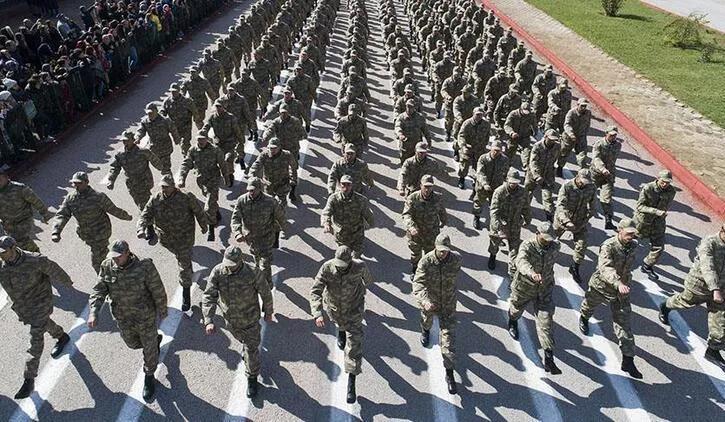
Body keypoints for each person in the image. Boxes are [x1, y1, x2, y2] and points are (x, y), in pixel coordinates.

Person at [88, 240, 167, 401]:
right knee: (132, 344)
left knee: (149, 348)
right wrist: (94, 312)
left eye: (118, 257)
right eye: (113, 257)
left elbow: (157, 288)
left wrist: (162, 309)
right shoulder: (107, 266)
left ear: (127, 253)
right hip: (123, 317)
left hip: (144, 316)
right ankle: (154, 341)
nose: (115, 260)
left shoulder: (144, 267)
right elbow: (99, 289)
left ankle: (149, 376)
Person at [0, 236, 73, 399]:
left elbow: (55, 269)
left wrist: (67, 281)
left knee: (35, 338)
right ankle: (61, 336)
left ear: (13, 248)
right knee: (42, 324)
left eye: (4, 252)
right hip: (24, 306)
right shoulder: (3, 267)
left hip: (41, 301)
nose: (2, 256)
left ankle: (29, 380)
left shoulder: (34, 260)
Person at [203, 245, 274, 398]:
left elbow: (266, 292)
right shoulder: (218, 271)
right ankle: (245, 347)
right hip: (231, 322)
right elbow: (209, 295)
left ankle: (252, 377)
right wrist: (208, 319)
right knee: (242, 341)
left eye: (232, 265)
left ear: (240, 262)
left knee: (251, 349)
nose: (229, 267)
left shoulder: (253, 272)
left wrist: (268, 311)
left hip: (250, 320)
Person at [579, 218, 642, 379]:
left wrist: (624, 283)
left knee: (624, 324)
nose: (631, 236)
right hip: (602, 286)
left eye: (633, 234)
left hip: (621, 291)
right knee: (589, 306)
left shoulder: (633, 246)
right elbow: (605, 267)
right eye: (628, 233)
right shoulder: (608, 246)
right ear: (619, 231)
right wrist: (617, 282)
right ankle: (584, 318)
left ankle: (628, 360)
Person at [310, 245, 375, 404]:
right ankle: (341, 330)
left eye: (343, 266)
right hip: (335, 310)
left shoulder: (360, 266)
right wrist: (317, 312)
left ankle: (352, 381)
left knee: (353, 346)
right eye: (338, 265)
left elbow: (368, 280)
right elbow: (315, 290)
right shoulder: (327, 267)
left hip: (354, 311)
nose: (339, 268)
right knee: (340, 326)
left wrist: (359, 294)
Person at [138, 175, 208, 313]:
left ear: (173, 186)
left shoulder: (186, 197)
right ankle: (188, 267)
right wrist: (141, 228)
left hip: (184, 238)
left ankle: (186, 297)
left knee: (183, 265)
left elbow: (198, 211)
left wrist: (204, 225)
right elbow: (145, 214)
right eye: (162, 186)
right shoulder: (156, 199)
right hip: (167, 240)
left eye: (166, 186)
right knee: (182, 259)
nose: (163, 189)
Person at [660, 223, 725, 366]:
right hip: (699, 286)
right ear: (722, 230)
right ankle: (665, 305)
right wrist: (714, 289)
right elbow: (708, 267)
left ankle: (713, 350)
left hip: (721, 289)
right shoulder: (708, 243)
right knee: (684, 302)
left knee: (721, 318)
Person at [507, 223, 562, 374]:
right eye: (545, 239)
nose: (547, 242)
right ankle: (512, 321)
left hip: (544, 289)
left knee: (546, 321)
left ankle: (549, 357)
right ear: (537, 234)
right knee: (516, 310)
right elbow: (521, 261)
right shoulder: (527, 245)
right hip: (525, 286)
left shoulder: (555, 246)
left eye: (550, 239)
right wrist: (531, 273)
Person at [52, 171, 133, 273]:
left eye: (79, 183)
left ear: (86, 182)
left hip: (101, 232)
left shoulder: (98, 197)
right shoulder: (71, 198)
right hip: (86, 234)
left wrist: (126, 216)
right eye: (74, 183)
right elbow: (62, 214)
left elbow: (113, 209)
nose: (76, 186)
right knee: (102, 253)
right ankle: (121, 263)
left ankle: (107, 278)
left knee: (97, 261)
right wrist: (56, 231)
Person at [412, 233, 462, 394]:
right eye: (440, 250)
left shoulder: (456, 260)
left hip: (448, 304)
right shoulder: (426, 261)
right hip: (430, 302)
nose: (443, 253)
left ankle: (449, 374)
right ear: (435, 247)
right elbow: (418, 284)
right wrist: (424, 301)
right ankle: (425, 330)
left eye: (446, 250)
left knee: (448, 343)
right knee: (427, 321)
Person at [231, 178, 287, 288]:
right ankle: (259, 279)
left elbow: (280, 215)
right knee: (256, 262)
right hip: (251, 239)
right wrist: (237, 232)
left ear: (260, 189)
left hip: (266, 237)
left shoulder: (270, 201)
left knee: (265, 264)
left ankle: (267, 286)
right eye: (249, 190)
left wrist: (283, 227)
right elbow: (235, 218)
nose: (251, 192)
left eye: (253, 190)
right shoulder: (242, 201)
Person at [177, 134, 228, 241]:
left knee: (208, 206)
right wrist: (182, 178)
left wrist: (226, 177)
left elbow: (222, 164)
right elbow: (186, 163)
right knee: (211, 201)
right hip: (201, 181)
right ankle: (216, 212)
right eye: (199, 139)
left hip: (213, 179)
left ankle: (211, 229)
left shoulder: (215, 150)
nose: (201, 141)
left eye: (203, 139)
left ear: (207, 139)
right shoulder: (193, 150)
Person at [553, 168, 596, 284]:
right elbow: (560, 206)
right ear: (577, 177)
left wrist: (588, 217)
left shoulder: (591, 187)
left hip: (580, 221)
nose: (584, 184)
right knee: (551, 239)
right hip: (563, 220)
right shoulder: (567, 187)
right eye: (583, 181)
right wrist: (566, 221)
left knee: (582, 244)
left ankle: (575, 267)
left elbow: (592, 204)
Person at [634, 170, 676, 281]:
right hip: (643, 221)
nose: (665, 184)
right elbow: (640, 206)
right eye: (663, 181)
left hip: (658, 222)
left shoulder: (671, 191)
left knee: (659, 246)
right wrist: (656, 211)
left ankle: (647, 265)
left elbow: (666, 205)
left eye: (668, 182)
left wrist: (660, 215)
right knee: (629, 239)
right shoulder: (648, 188)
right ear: (657, 179)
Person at [488, 169, 531, 276]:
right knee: (494, 244)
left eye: (516, 183)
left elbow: (526, 207)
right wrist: (498, 228)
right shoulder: (499, 192)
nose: (513, 185)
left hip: (515, 224)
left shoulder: (523, 192)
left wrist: (528, 218)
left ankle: (512, 272)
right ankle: (492, 257)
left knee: (514, 249)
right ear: (507, 180)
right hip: (500, 224)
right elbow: (494, 211)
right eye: (511, 182)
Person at [106, 130, 162, 211]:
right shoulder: (120, 154)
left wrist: (161, 168)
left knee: (144, 204)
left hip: (144, 181)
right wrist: (111, 180)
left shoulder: (142, 151)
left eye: (127, 140)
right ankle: (152, 214)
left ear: (132, 139)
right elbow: (115, 167)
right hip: (131, 184)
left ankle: (149, 219)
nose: (125, 142)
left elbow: (154, 160)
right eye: (123, 141)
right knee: (139, 202)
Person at [0, 167, 53, 252]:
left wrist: (45, 213)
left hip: (24, 220)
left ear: (6, 177)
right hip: (8, 224)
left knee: (22, 240)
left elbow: (35, 200)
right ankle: (29, 257)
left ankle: (37, 255)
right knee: (14, 245)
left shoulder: (19, 188)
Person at [321, 175, 374, 258]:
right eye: (343, 184)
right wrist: (326, 223)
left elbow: (368, 214)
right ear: (339, 185)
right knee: (343, 257)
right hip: (342, 235)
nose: (346, 187)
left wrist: (370, 224)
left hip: (357, 233)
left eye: (348, 184)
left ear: (352, 186)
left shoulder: (360, 199)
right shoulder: (333, 199)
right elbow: (326, 212)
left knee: (356, 257)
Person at [402, 175, 448, 271]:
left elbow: (442, 211)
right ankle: (415, 269)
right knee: (416, 254)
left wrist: (444, 220)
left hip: (431, 233)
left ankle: (427, 270)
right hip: (416, 233)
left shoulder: (438, 198)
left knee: (430, 254)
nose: (427, 189)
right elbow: (406, 214)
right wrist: (411, 227)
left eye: (429, 187)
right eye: (425, 186)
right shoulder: (413, 198)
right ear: (420, 185)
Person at [250, 137, 299, 206]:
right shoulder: (264, 155)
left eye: (274, 148)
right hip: (269, 184)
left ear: (279, 147)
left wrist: (293, 179)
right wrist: (252, 174)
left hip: (282, 184)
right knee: (268, 204)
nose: (272, 150)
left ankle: (280, 215)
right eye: (270, 148)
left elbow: (293, 167)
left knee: (282, 204)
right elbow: (257, 164)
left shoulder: (287, 155)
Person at [472, 140, 510, 229]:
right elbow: (480, 173)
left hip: (497, 186)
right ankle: (476, 217)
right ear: (491, 149)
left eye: (498, 150)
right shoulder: (483, 158)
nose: (496, 152)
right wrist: (485, 184)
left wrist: (505, 184)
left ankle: (495, 223)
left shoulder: (504, 159)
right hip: (483, 186)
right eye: (495, 150)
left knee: (497, 205)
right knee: (478, 202)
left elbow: (506, 173)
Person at [135, 102, 179, 175]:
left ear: (156, 111)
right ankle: (166, 178)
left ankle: (168, 183)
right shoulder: (145, 121)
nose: (150, 115)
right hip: (154, 149)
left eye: (151, 113)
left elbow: (173, 130)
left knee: (166, 167)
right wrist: (138, 138)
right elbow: (141, 130)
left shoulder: (165, 120)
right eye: (148, 113)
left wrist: (176, 139)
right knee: (159, 166)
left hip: (165, 147)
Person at [591, 126, 621, 230]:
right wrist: (602, 169)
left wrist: (608, 172)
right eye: (611, 135)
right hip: (596, 174)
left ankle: (608, 220)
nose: (613, 137)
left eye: (615, 135)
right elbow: (596, 158)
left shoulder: (618, 145)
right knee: (589, 194)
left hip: (609, 175)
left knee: (607, 199)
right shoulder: (599, 144)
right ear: (606, 134)